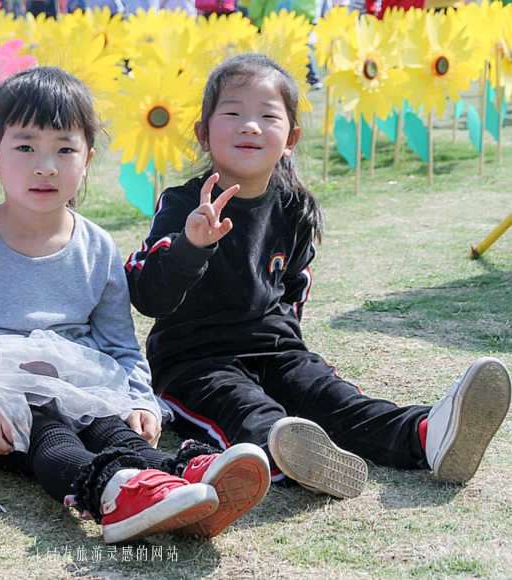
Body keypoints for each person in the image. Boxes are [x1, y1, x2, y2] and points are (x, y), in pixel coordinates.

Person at [125, 53, 512, 500]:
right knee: (249, 411)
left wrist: (292, 364)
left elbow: (292, 292)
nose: (250, 126)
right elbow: (148, 296)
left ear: (290, 138)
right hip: (195, 362)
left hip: (276, 350)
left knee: (335, 400)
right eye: (232, 113)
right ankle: (290, 456)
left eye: (267, 116)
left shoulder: (294, 209)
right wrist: (192, 246)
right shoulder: (183, 204)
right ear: (203, 133)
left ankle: (427, 435)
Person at [0, 66, 271, 545]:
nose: (45, 166)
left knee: (114, 429)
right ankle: (114, 493)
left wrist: (137, 399)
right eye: (25, 147)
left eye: (65, 149)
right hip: (4, 396)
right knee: (51, 438)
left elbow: (119, 345)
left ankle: (191, 481)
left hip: (83, 381)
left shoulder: (97, 248)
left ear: (86, 159)